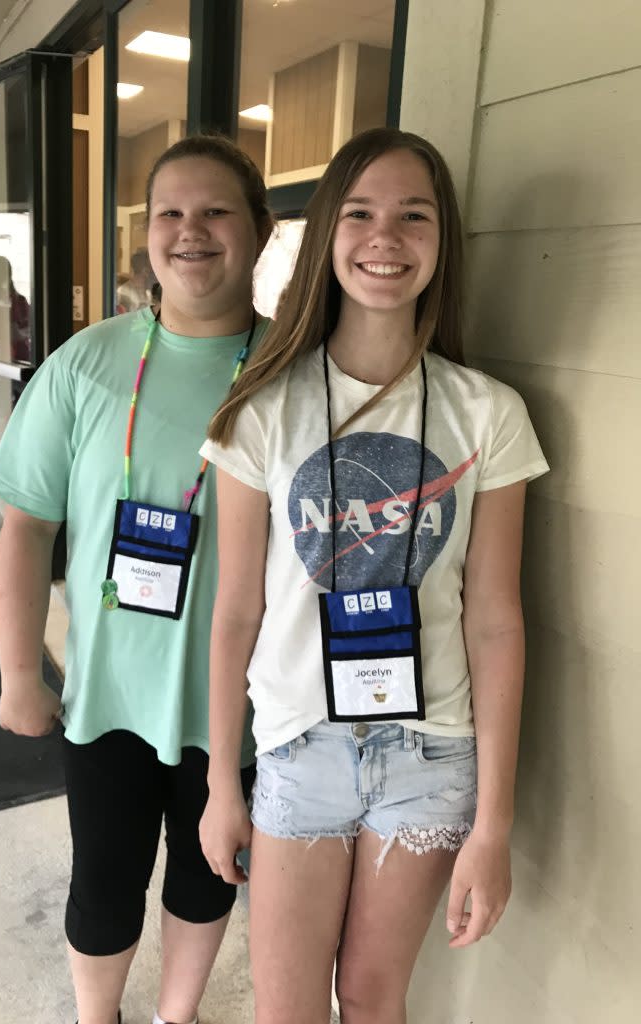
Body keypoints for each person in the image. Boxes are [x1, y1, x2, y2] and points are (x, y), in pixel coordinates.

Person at [199, 127, 549, 1024]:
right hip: (299, 746)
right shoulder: (260, 413)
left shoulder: (489, 414)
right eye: (359, 212)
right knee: (285, 1009)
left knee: (371, 996)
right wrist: (220, 787)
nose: (384, 237)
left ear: (442, 240)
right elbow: (234, 612)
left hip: (433, 758)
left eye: (413, 215)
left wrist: (494, 824)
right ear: (326, 234)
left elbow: (497, 620)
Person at [0, 134, 273, 1024]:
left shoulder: (292, 369)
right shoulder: (87, 363)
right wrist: (20, 674)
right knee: (104, 880)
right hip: (107, 695)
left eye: (217, 211)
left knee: (206, 873)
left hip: (242, 705)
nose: (192, 231)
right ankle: (95, 1016)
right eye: (171, 214)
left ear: (260, 232)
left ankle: (174, 1015)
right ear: (146, 237)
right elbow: (27, 525)